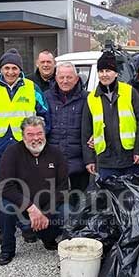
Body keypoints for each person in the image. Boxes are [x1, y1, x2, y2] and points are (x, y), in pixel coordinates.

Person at [0, 48, 50, 245]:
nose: (10, 72)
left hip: (26, 149)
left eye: (14, 68)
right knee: (5, 190)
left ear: (20, 69)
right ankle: (5, 230)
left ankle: (27, 227)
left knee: (28, 188)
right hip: (2, 149)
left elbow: (45, 116)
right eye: (7, 67)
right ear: (1, 69)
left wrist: (37, 140)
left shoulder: (32, 88)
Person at [0, 116, 70, 265]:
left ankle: (52, 242)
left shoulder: (56, 153)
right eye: (30, 134)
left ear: (44, 134)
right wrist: (30, 207)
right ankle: (7, 249)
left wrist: (46, 213)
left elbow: (63, 188)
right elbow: (5, 186)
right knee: (5, 206)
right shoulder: (12, 152)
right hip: (22, 205)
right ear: (23, 136)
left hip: (48, 206)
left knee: (67, 210)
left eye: (39, 133)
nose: (36, 138)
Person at [82, 50, 139, 179]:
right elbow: (86, 131)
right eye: (101, 71)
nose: (104, 75)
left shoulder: (129, 92)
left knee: (130, 197)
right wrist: (89, 159)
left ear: (116, 73)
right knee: (110, 197)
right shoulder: (92, 98)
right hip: (106, 160)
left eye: (108, 71)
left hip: (130, 158)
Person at [44, 62, 89, 204]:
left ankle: (77, 225)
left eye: (69, 77)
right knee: (54, 201)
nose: (65, 81)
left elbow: (97, 124)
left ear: (76, 79)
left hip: (79, 161)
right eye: (61, 77)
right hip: (53, 159)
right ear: (56, 78)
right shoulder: (46, 97)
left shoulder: (88, 98)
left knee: (79, 202)